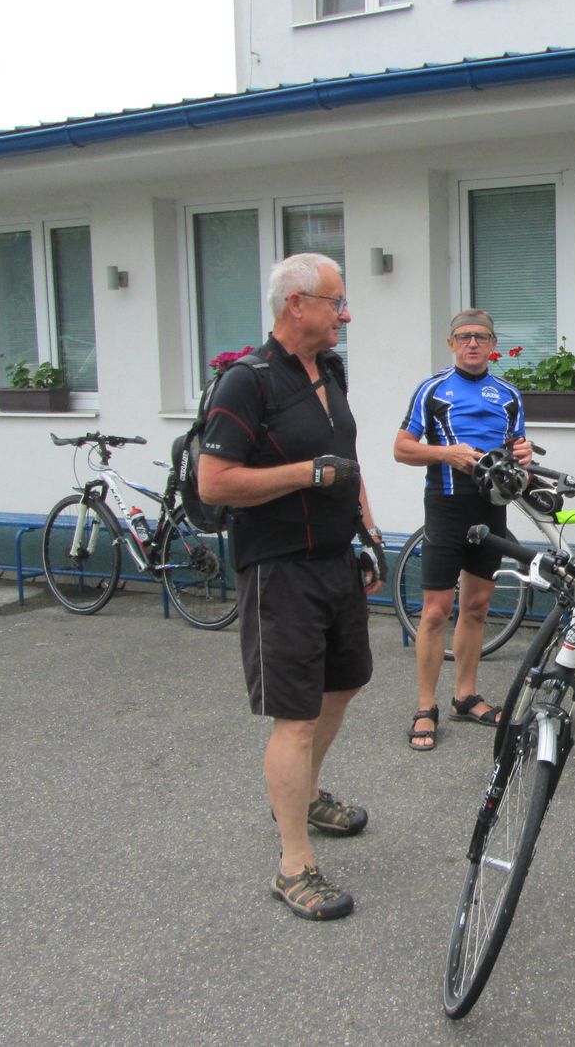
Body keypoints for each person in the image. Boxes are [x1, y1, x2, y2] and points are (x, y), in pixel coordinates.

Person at [199, 252, 386, 920]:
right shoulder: (245, 383)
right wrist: (307, 474)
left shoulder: (328, 370)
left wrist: (369, 534)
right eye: (336, 302)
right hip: (278, 571)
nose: (346, 315)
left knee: (346, 683)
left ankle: (303, 794)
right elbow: (214, 482)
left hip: (336, 561)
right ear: (295, 305)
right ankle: (293, 864)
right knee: (296, 716)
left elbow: (347, 461)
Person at [393, 309, 531, 751]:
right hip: (446, 507)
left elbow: (517, 450)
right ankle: (425, 705)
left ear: (493, 345)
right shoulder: (433, 389)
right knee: (435, 611)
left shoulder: (509, 395)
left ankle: (465, 696)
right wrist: (445, 454)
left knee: (476, 606)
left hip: (491, 508)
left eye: (481, 336)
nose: (473, 343)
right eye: (464, 336)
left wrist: (523, 454)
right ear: (451, 343)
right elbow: (401, 449)